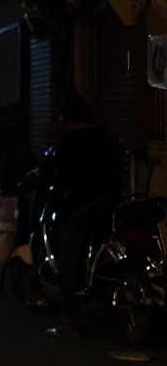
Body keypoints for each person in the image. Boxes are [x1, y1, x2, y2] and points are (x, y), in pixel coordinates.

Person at [44, 90, 123, 338]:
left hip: (78, 211)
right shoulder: (107, 139)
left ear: (67, 119)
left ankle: (71, 320)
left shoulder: (68, 143)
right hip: (108, 207)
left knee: (66, 263)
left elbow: (60, 178)